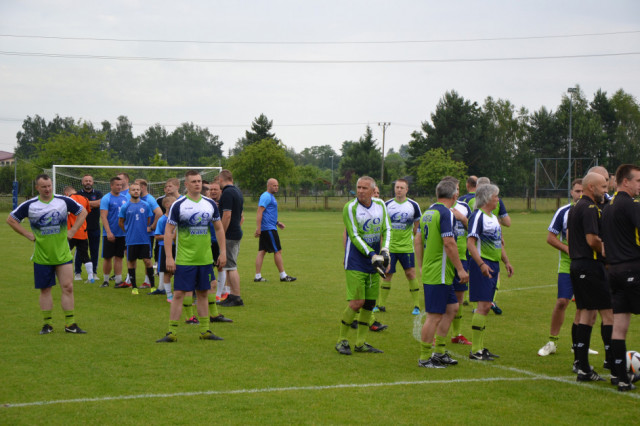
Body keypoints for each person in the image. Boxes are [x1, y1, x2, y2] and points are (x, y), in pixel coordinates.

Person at [7, 174, 88, 334]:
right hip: (42, 256)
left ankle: (70, 324)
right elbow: (11, 219)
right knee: (45, 290)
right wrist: (27, 234)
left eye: (49, 186)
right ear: (37, 187)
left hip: (63, 254)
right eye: (43, 186)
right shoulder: (30, 205)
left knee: (68, 287)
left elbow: (83, 212)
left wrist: (72, 230)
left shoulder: (63, 201)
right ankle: (47, 324)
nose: (47, 189)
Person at [156, 171, 227, 342]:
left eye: (199, 181)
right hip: (184, 259)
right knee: (179, 294)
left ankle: (205, 330)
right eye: (193, 181)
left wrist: (223, 252)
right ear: (186, 184)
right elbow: (168, 231)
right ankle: (171, 332)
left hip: (205, 259)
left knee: (203, 293)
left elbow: (219, 228)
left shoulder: (210, 204)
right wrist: (169, 257)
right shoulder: (178, 205)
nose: (197, 184)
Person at [415, 179, 469, 368]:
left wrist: (421, 265)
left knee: (452, 308)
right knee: (434, 315)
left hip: (437, 271)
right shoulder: (446, 213)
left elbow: (418, 240)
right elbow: (449, 243)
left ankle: (439, 352)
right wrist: (461, 269)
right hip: (439, 273)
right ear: (455, 195)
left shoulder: (428, 212)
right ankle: (424, 358)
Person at [335, 176, 390, 355]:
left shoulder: (380, 205)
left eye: (364, 188)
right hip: (355, 261)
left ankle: (361, 343)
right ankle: (341, 340)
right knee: (357, 302)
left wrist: (385, 250)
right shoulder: (350, 207)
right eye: (358, 187)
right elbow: (354, 235)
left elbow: (387, 229)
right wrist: (372, 254)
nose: (360, 191)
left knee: (370, 303)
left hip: (374, 261)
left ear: (373, 190)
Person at [567, 172, 612, 382]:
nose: (605, 191)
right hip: (591, 266)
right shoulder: (590, 208)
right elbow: (592, 239)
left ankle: (583, 367)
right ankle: (615, 364)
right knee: (609, 314)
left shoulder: (576, 207)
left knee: (587, 315)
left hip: (577, 265)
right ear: (591, 187)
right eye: (603, 187)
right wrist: (610, 254)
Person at [538, 179, 591, 358]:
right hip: (567, 264)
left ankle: (579, 344)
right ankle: (552, 341)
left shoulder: (593, 210)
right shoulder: (563, 212)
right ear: (571, 192)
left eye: (583, 191)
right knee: (562, 302)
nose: (580, 194)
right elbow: (550, 238)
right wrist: (568, 249)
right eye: (577, 191)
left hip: (588, 264)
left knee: (584, 305)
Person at [601, 164, 640, 391]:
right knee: (620, 326)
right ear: (625, 181)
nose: (639, 186)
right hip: (633, 269)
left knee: (619, 327)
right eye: (638, 181)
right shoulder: (632, 205)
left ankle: (621, 378)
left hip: (613, 271)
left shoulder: (608, 207)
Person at [467, 184, 514, 360]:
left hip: (493, 265)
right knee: (483, 306)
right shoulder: (477, 216)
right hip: (483, 265)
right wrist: (481, 264)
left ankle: (479, 348)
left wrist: (506, 261)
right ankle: (475, 350)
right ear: (487, 198)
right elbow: (471, 243)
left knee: (486, 306)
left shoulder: (493, 218)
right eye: (496, 196)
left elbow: (498, 243)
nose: (498, 199)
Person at [375, 179, 422, 315]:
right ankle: (381, 305)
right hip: (390, 248)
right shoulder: (387, 205)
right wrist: (383, 246)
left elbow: (417, 227)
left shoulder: (413, 205)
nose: (399, 190)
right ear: (394, 189)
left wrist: (413, 239)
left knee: (410, 274)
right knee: (386, 274)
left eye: (402, 187)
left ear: (407, 189)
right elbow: (382, 227)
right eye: (397, 187)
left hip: (407, 248)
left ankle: (417, 305)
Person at [443, 176, 473, 346]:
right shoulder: (439, 209)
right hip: (444, 260)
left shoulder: (464, 207)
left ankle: (456, 334)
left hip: (462, 257)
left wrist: (463, 218)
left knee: (460, 297)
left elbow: (473, 229)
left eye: (459, 188)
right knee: (441, 297)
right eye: (455, 188)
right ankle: (436, 334)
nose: (458, 192)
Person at [254, 178, 296, 283]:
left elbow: (268, 213)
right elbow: (259, 212)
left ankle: (257, 276)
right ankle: (283, 276)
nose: (276, 187)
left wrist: (277, 222)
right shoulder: (266, 196)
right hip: (268, 229)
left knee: (262, 251)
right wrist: (258, 228)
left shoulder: (270, 196)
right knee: (277, 251)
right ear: (269, 186)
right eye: (274, 185)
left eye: (277, 185)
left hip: (269, 226)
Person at [118, 182, 155, 295]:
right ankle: (134, 287)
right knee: (131, 262)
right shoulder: (125, 206)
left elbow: (148, 220)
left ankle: (153, 286)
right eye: (133, 189)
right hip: (131, 239)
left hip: (144, 239)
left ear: (140, 191)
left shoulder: (146, 205)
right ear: (129, 191)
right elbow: (121, 222)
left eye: (137, 189)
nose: (136, 191)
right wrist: (128, 231)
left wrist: (144, 228)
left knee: (147, 261)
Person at [217, 170, 245, 307]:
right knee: (228, 266)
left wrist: (221, 232)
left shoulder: (227, 193)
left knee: (232, 267)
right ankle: (231, 295)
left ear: (221, 180)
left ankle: (236, 297)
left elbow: (227, 215)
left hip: (230, 234)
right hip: (235, 231)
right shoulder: (237, 191)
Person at [100, 177, 129, 288]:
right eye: (117, 185)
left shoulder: (125, 198)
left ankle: (118, 280)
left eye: (121, 185)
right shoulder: (106, 198)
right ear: (111, 185)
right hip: (110, 233)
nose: (119, 187)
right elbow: (103, 216)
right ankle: (106, 280)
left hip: (122, 233)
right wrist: (108, 232)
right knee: (108, 257)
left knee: (119, 257)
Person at [63, 186, 95, 283]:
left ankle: (61, 275)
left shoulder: (67, 199)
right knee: (85, 255)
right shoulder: (85, 199)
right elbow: (87, 211)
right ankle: (91, 277)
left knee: (63, 254)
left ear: (66, 193)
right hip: (83, 232)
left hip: (71, 232)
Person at [74, 174, 102, 282]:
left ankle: (94, 273)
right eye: (86, 180)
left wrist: (84, 203)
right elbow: (76, 205)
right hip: (81, 228)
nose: (88, 182)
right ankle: (77, 273)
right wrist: (91, 204)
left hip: (95, 227)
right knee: (80, 251)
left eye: (90, 180)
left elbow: (99, 203)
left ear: (93, 182)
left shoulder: (98, 193)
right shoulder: (77, 194)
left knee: (94, 251)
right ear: (82, 182)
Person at [135, 179, 163, 287]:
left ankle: (148, 281)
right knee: (133, 257)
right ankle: (129, 280)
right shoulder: (138, 198)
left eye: (137, 187)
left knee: (146, 258)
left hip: (147, 235)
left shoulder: (149, 199)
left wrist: (151, 227)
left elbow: (159, 213)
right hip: (138, 233)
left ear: (142, 187)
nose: (135, 190)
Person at [154, 196, 176, 302]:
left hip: (177, 247)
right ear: (167, 205)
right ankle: (169, 295)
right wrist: (169, 236)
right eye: (174, 202)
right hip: (165, 248)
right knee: (167, 272)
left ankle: (177, 292)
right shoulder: (162, 220)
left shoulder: (178, 219)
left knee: (177, 271)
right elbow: (157, 236)